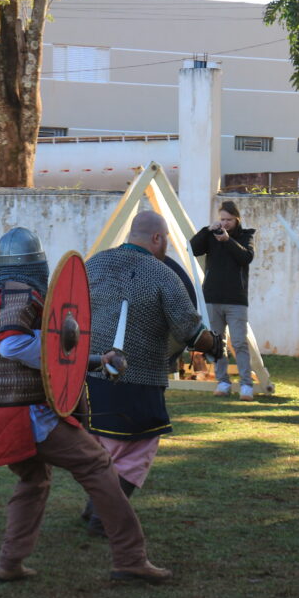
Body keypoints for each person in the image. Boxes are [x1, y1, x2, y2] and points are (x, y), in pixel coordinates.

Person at [0, 226, 172, 584]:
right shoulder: (20, 296)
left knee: (34, 480)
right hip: (25, 414)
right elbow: (13, 345)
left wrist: (96, 360)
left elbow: (52, 354)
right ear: (38, 264)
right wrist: (58, 346)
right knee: (98, 465)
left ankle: (9, 564)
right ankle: (131, 559)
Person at [83, 211, 226, 537]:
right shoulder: (162, 275)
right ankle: (104, 517)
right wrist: (216, 344)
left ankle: (94, 506)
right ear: (157, 238)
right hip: (138, 379)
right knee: (137, 450)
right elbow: (189, 331)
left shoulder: (93, 265)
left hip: (89, 377)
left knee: (102, 449)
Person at [189, 200, 256, 400]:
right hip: (212, 297)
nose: (224, 224)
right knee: (217, 343)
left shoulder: (246, 236)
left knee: (239, 342)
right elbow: (192, 249)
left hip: (236, 299)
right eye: (222, 219)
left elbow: (246, 258)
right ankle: (223, 381)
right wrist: (206, 230)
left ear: (237, 219)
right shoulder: (211, 235)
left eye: (228, 220)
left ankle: (246, 385)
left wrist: (228, 240)